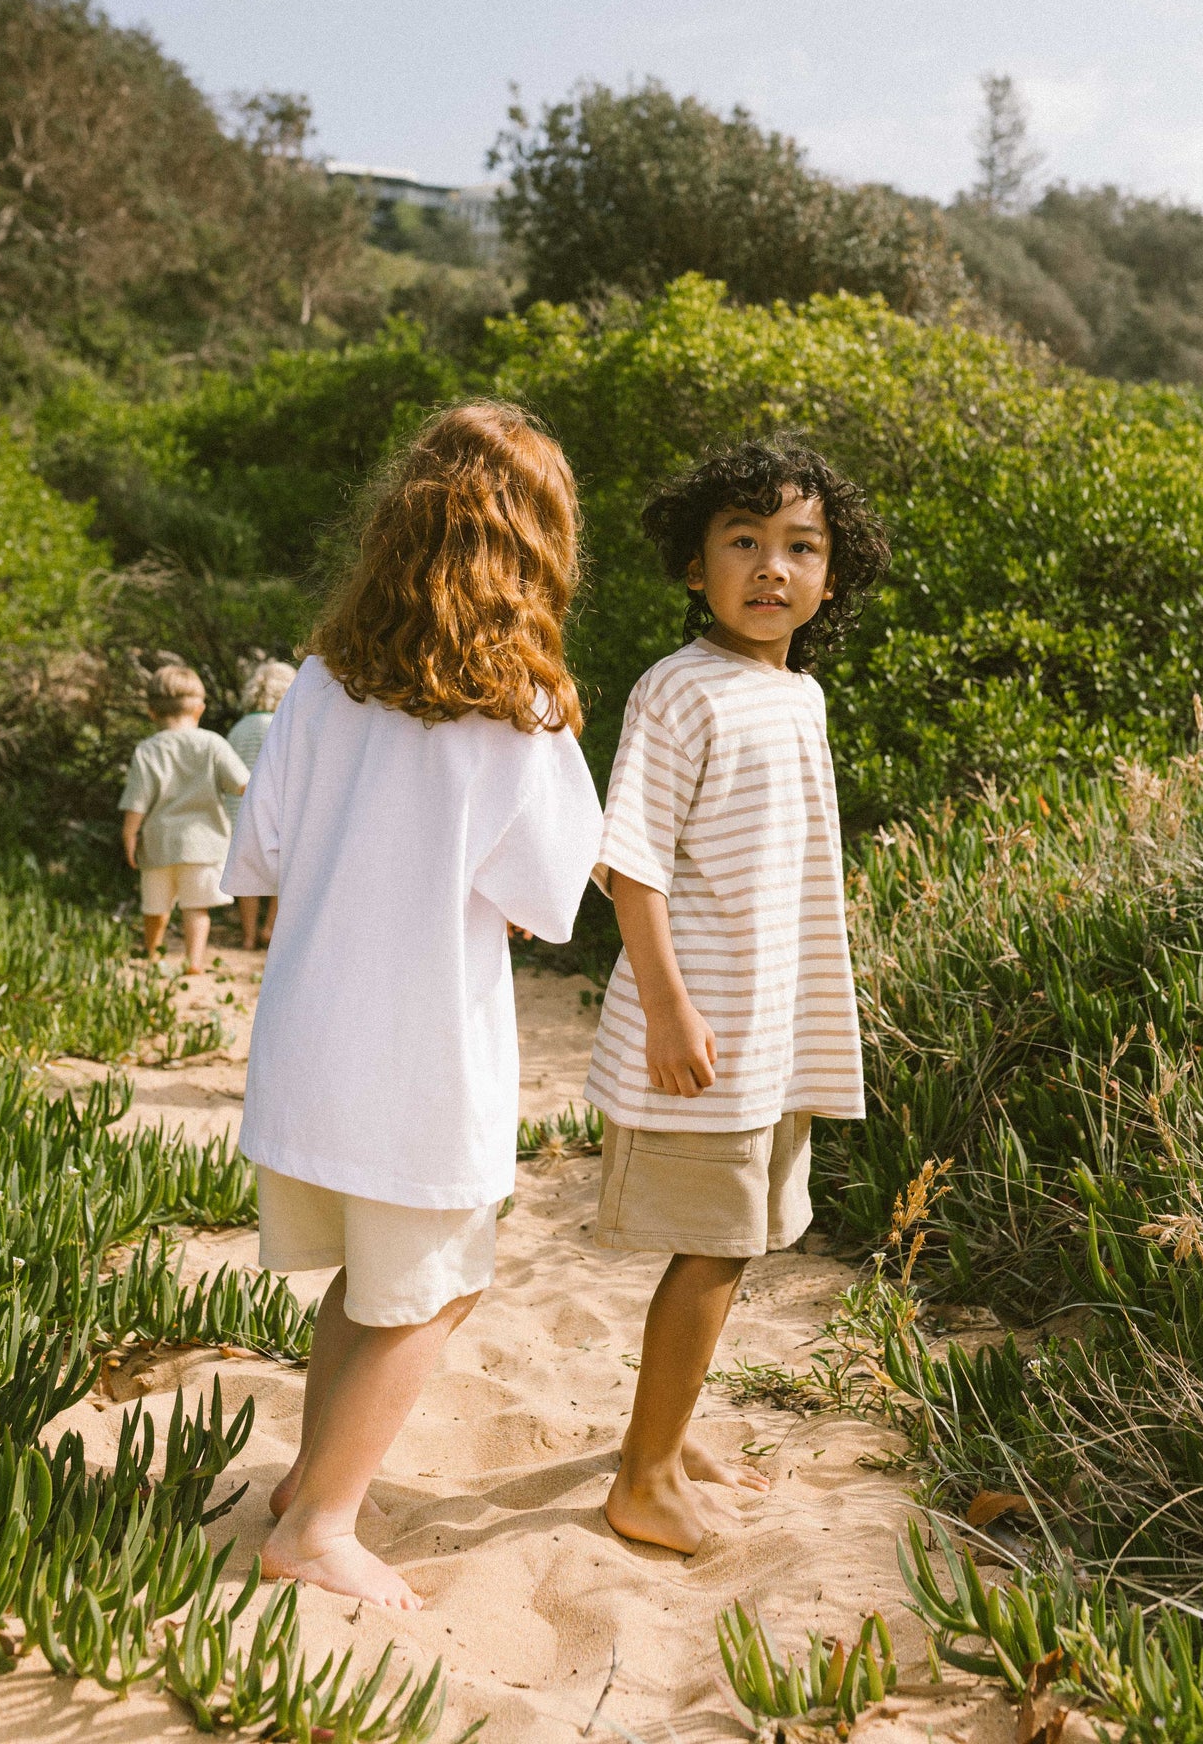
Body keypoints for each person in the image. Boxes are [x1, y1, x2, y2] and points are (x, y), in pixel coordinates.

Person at [222, 402, 602, 1610]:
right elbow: (546, 899)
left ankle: (306, 1484)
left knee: (368, 1276)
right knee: (434, 1284)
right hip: (425, 1048)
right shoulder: (525, 709)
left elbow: (265, 846)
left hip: (311, 1036)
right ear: (536, 545)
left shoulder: (324, 678)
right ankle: (322, 1519)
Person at [585, 436, 890, 1554]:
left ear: (830, 574)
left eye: (799, 547)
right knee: (710, 1247)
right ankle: (642, 1473)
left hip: (771, 1027)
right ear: (692, 567)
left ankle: (668, 1432)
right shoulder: (676, 687)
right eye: (743, 541)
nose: (772, 567)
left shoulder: (794, 690)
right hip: (700, 1025)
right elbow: (633, 861)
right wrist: (667, 1006)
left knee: (740, 1239)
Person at [119, 664, 250, 974]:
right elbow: (244, 784)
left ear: (151, 712)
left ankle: (152, 955)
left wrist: (129, 835)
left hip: (158, 844)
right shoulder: (213, 743)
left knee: (155, 907)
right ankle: (194, 962)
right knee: (196, 907)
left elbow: (137, 801)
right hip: (204, 844)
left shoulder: (148, 750)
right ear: (200, 709)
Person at [227, 660, 297, 951]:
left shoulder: (239, 728)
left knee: (248, 876)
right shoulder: (282, 725)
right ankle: (270, 928)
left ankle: (247, 935)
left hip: (237, 811)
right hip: (274, 810)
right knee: (281, 872)